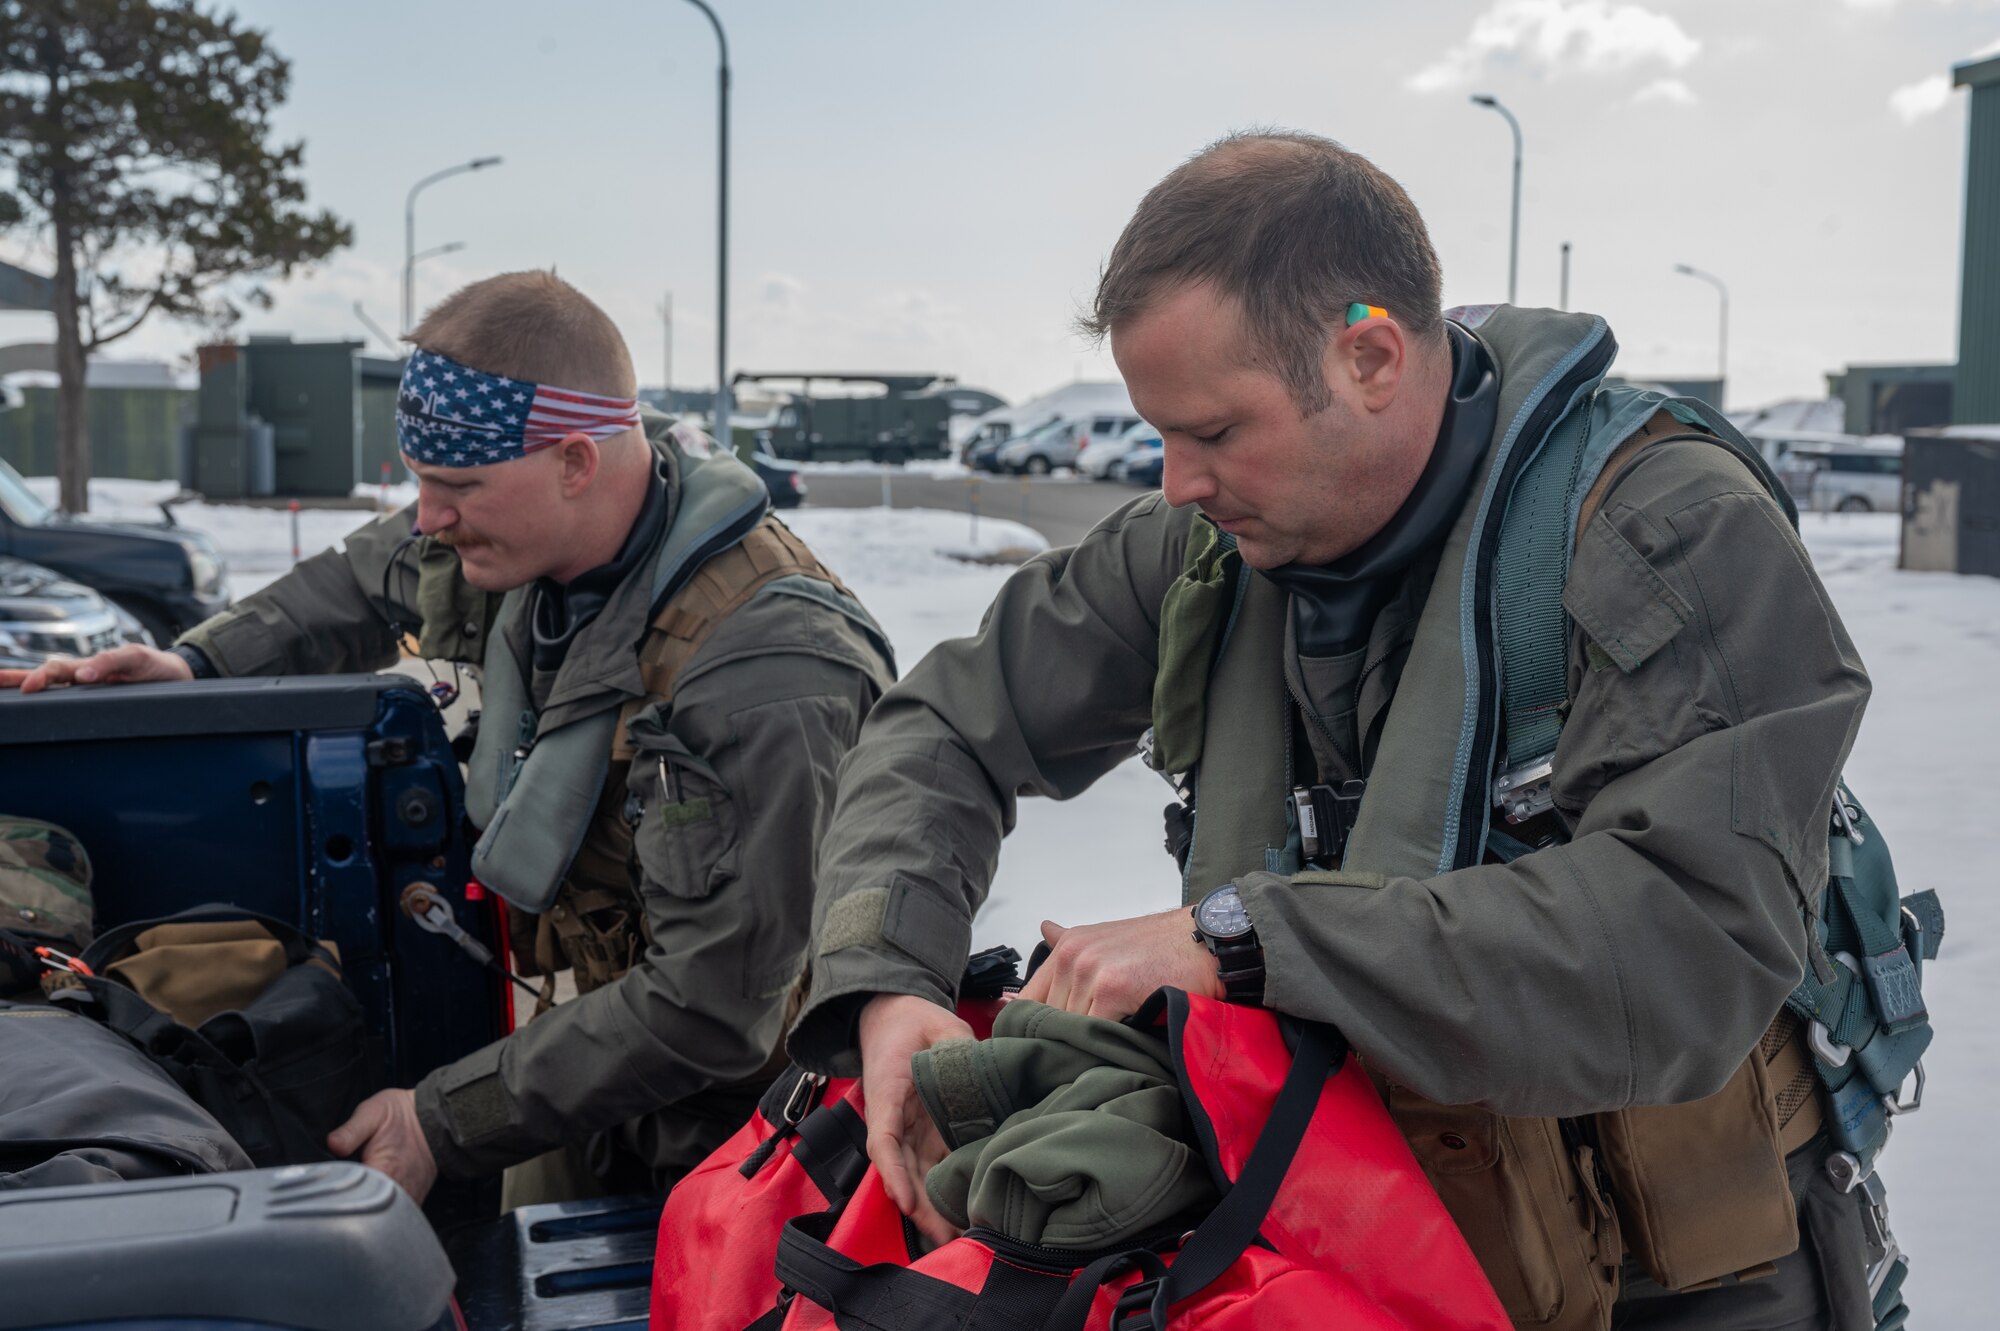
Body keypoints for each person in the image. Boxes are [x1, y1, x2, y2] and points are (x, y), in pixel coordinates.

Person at [783, 132, 1885, 1331]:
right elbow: (943, 722)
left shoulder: (1663, 535)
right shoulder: (1210, 547)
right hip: (1340, 1233)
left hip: (1670, 1283)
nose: (1172, 482)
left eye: (1210, 431)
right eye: (1157, 431)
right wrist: (885, 985)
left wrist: (1242, 941)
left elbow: (1687, 945)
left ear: (1366, 357)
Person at [2, 271, 895, 1206]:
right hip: (601, 1071)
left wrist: (441, 1120)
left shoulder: (766, 670)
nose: (429, 514)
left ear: (577, 462)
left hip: (757, 1141)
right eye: (422, 482)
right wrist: (196, 665)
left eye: (456, 485)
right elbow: (354, 578)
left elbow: (717, 1007)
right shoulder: (519, 530)